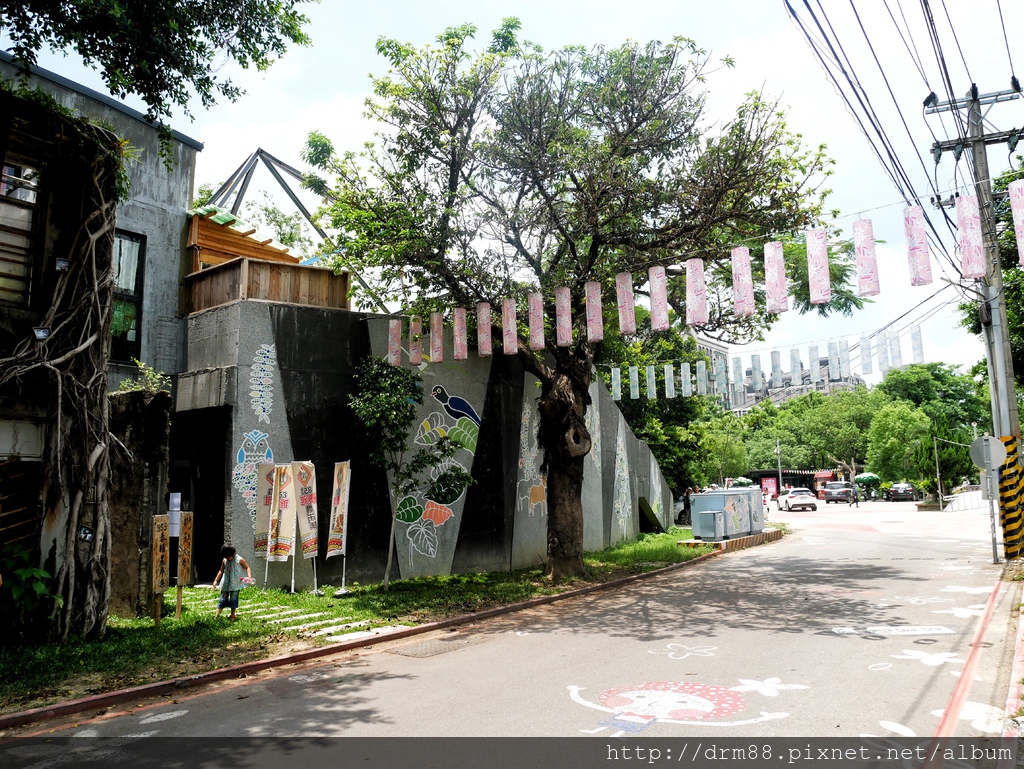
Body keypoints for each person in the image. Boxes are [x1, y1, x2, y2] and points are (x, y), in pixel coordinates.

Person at [214, 544, 252, 620]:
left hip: (236, 584)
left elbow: (247, 567)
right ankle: (216, 615)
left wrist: (249, 577)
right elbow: (221, 571)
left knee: (233, 599)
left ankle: (233, 614)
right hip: (226, 583)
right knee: (223, 599)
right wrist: (216, 580)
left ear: (234, 554)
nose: (227, 559)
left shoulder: (239, 559)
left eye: (228, 557)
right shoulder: (224, 560)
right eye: (225, 557)